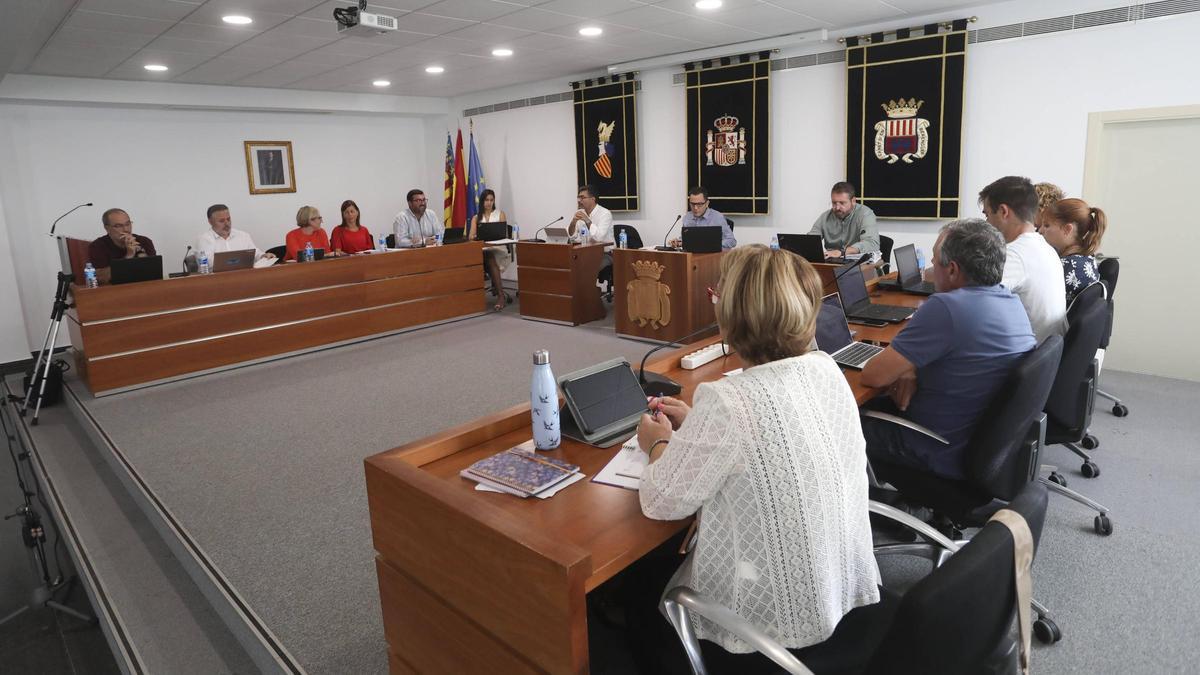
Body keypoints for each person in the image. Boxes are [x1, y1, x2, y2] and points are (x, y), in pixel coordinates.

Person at [630, 245, 880, 672]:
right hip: (842, 591)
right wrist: (697, 424)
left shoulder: (728, 400)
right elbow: (772, 434)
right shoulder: (825, 368)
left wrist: (656, 442)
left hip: (772, 630)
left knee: (631, 599)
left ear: (732, 315)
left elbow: (661, 502)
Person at [860, 219, 1036, 480]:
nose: (931, 271)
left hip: (933, 447)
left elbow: (872, 376)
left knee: (835, 423)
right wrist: (910, 368)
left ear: (952, 270)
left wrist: (905, 366)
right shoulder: (1009, 300)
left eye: (934, 263)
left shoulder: (947, 308)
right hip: (980, 445)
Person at [979, 175, 1067, 341]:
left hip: (1026, 356)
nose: (987, 222)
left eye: (988, 214)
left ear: (1004, 212)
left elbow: (972, 303)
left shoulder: (1015, 255)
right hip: (1045, 356)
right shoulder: (1045, 247)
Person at [1039, 197, 1108, 305]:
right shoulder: (1087, 257)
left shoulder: (1066, 266)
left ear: (1067, 229)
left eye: (1047, 225)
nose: (1040, 230)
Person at [808, 181, 879, 258]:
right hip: (832, 263)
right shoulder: (825, 217)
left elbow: (872, 243)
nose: (837, 207)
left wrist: (842, 252)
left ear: (853, 201)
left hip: (858, 263)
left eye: (842, 203)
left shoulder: (865, 214)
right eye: (834, 203)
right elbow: (811, 240)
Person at [467, 189, 510, 311]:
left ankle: (500, 295)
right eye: (486, 200)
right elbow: (470, 237)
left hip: (498, 248)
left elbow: (504, 234)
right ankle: (499, 294)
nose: (489, 203)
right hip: (482, 249)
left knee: (490, 257)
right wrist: (476, 237)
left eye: (491, 200)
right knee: (488, 256)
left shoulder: (500, 214)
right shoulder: (476, 218)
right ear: (482, 201)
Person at [88, 208, 156, 284]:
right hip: (113, 291)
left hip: (143, 288)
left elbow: (153, 273)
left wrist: (140, 254)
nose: (126, 229)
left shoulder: (144, 241)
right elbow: (100, 279)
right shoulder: (97, 246)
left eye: (128, 224)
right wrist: (129, 256)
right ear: (107, 228)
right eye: (118, 226)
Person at [195, 204, 273, 263]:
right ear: (210, 222)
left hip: (243, 277)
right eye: (221, 221)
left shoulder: (243, 236)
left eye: (228, 219)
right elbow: (206, 263)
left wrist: (263, 256)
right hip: (216, 280)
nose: (227, 224)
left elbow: (255, 254)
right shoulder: (204, 239)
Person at [677, 186, 735, 250]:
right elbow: (685, 239)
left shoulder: (717, 217)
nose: (695, 208)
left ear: (707, 203)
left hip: (713, 256)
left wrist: (713, 244)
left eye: (699, 204)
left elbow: (732, 241)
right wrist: (679, 242)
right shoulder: (687, 217)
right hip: (693, 256)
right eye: (692, 204)